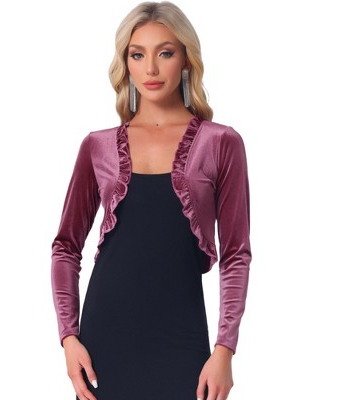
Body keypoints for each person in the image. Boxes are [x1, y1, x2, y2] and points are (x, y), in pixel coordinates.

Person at [51, 2, 252, 399]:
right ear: (125, 63)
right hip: (105, 338)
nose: (151, 69)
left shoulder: (221, 143)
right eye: (138, 55)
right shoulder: (97, 146)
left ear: (186, 59)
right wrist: (69, 338)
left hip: (183, 336)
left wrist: (224, 349)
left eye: (165, 53)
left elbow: (236, 254)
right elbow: (65, 247)